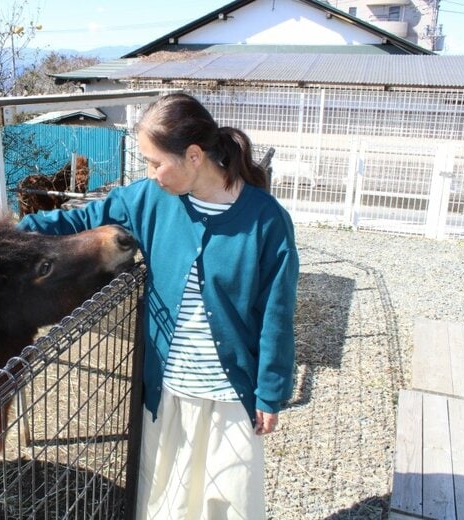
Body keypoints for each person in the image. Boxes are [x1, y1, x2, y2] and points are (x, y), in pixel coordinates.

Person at [18, 92, 299, 520]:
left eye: (155, 162)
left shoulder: (266, 220)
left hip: (230, 394)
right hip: (169, 389)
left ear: (192, 155)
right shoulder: (150, 199)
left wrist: (271, 392)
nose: (151, 174)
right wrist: (10, 236)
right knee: (168, 500)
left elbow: (277, 313)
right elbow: (78, 221)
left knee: (227, 503)